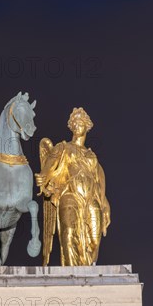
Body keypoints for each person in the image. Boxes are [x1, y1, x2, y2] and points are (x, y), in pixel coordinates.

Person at [35, 107, 111, 266]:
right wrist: (43, 178)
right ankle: (72, 276)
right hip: (69, 196)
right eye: (74, 123)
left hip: (91, 199)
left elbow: (100, 181)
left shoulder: (92, 156)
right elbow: (48, 168)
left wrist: (105, 206)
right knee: (68, 235)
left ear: (87, 126)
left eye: (80, 122)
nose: (76, 125)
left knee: (94, 241)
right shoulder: (62, 148)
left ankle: (88, 274)